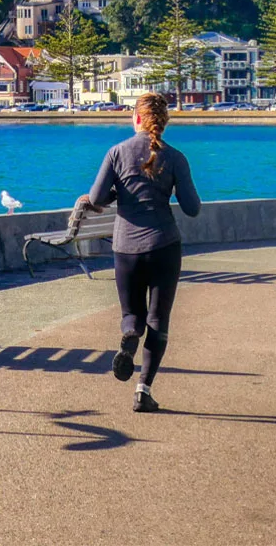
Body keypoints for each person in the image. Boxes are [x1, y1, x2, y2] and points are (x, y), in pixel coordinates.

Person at [80, 92, 200, 413]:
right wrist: (170, 186)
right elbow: (192, 208)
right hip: (164, 247)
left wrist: (121, 192)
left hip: (126, 249)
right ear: (163, 123)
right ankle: (143, 391)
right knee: (159, 321)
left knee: (132, 315)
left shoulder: (116, 152)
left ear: (135, 119)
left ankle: (130, 334)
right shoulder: (176, 158)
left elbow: (96, 197)